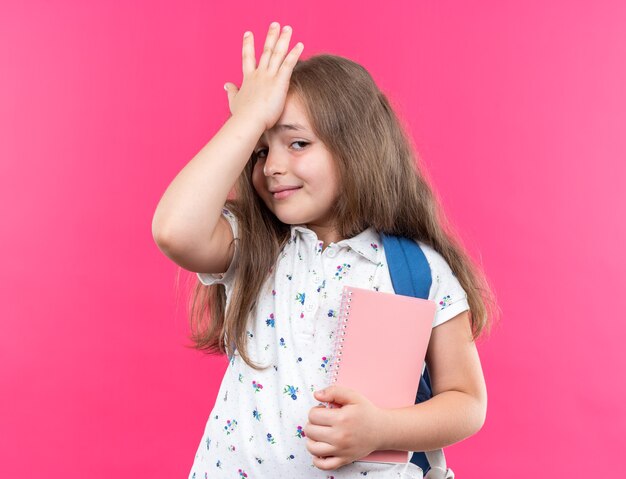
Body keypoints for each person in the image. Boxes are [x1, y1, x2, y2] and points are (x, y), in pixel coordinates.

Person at [152, 21, 496, 479]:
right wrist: (247, 119)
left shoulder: (415, 269)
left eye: (297, 143)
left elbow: (466, 402)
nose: (273, 166)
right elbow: (175, 230)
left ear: (356, 148)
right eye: (259, 151)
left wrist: (382, 428)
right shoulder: (255, 246)